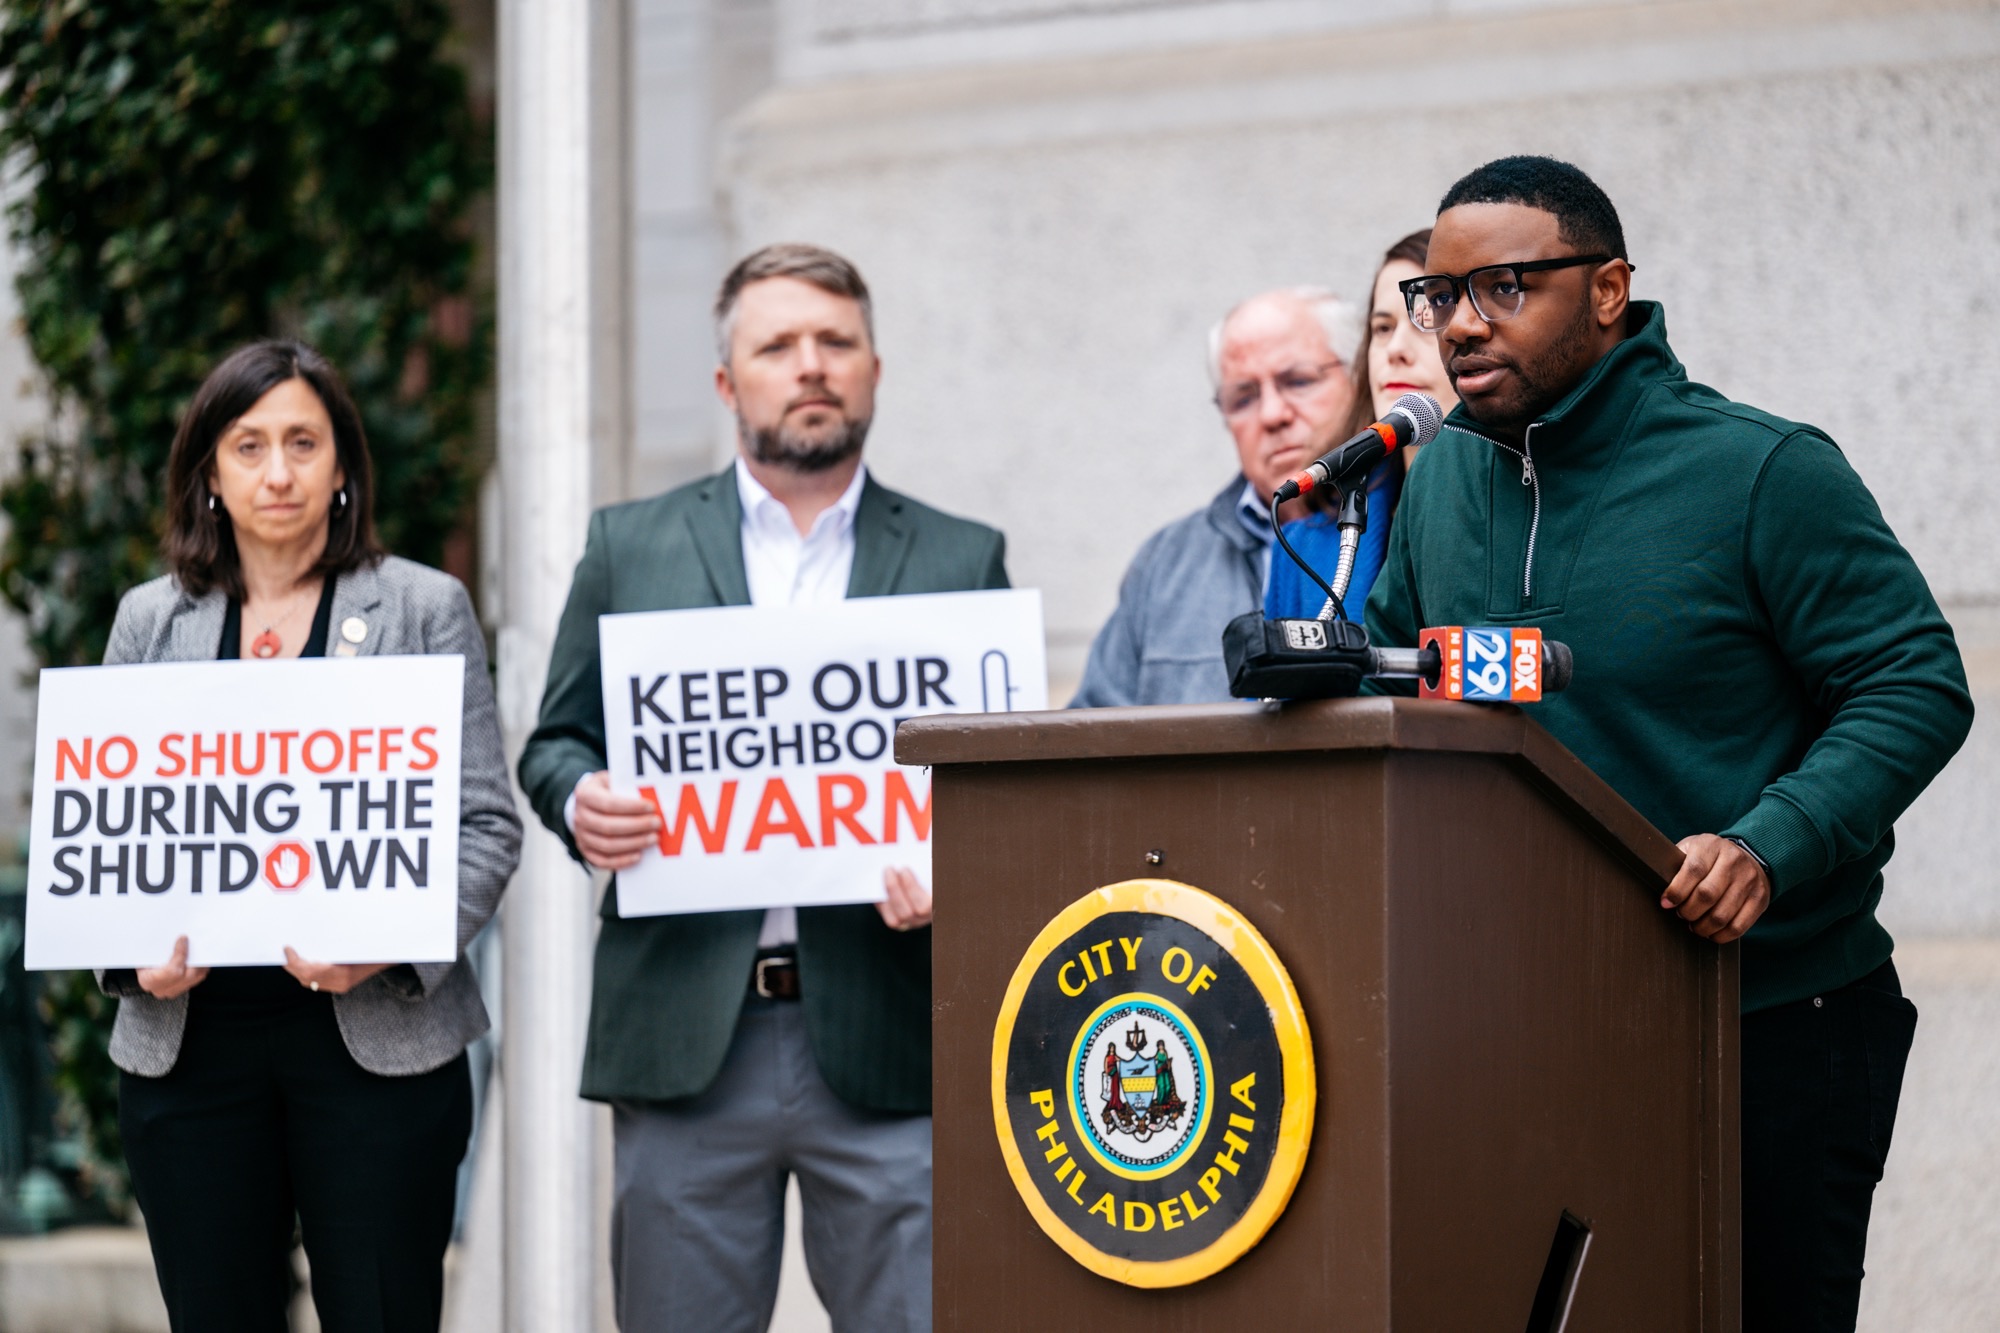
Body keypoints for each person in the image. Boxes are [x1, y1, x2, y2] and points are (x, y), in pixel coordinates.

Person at [1365, 155, 1973, 1327]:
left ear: (1607, 290)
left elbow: (1911, 683)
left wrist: (1765, 843)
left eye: (1502, 286)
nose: (1458, 324)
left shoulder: (1758, 471)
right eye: (1438, 295)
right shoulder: (1436, 485)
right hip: (1524, 1031)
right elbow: (1394, 696)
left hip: (1765, 1027)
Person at [518, 243, 1007, 1332]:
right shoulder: (628, 546)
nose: (811, 365)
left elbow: (1001, 786)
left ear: (874, 368)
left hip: (893, 1028)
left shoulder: (961, 558)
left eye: (835, 341)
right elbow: (555, 741)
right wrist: (582, 798)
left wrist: (961, 865)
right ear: (726, 382)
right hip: (688, 1027)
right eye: (778, 345)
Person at [97, 340, 522, 1332]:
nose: (278, 472)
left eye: (303, 442)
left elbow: (485, 824)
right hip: (189, 1049)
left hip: (376, 1044)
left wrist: (389, 943)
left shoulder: (423, 607)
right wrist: (128, 954)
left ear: (342, 468)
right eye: (249, 446)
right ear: (210, 473)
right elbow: (106, 828)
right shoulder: (148, 622)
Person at [1070, 287, 1358, 706]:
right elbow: (1092, 730)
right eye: (1244, 397)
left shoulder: (1402, 527)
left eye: (1298, 381)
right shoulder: (1167, 563)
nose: (1272, 414)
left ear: (1358, 379)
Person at [1264, 230, 1459, 620]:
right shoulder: (1304, 546)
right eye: (1383, 328)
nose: (1395, 349)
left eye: (1427, 321)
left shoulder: (1523, 520)